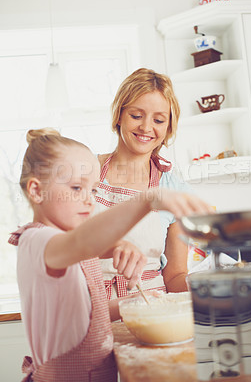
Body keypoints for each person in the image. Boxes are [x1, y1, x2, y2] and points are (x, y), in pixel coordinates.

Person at [9, 128, 212, 382]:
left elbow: (85, 315)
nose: (89, 201)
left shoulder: (65, 245)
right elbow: (84, 241)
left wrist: (132, 299)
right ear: (37, 191)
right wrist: (149, 199)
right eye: (76, 188)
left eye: (93, 190)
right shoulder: (37, 241)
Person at [95, 67, 193, 299]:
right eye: (136, 116)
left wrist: (202, 288)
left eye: (159, 120)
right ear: (119, 115)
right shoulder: (87, 170)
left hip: (152, 309)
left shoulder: (174, 190)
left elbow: (175, 275)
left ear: (168, 127)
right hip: (92, 308)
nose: (146, 127)